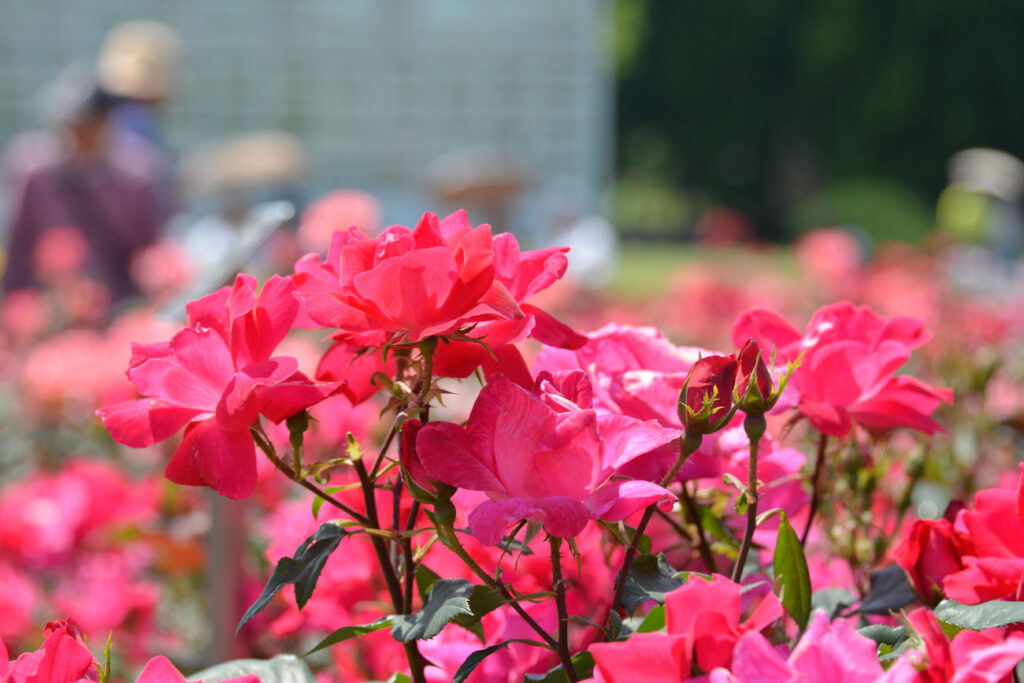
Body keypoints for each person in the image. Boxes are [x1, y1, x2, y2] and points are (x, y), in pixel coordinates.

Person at [1, 66, 164, 306]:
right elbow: (19, 249)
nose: (79, 134)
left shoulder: (134, 179)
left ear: (105, 122)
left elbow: (147, 256)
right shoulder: (35, 174)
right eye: (72, 124)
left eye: (88, 124)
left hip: (115, 311)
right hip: (47, 312)